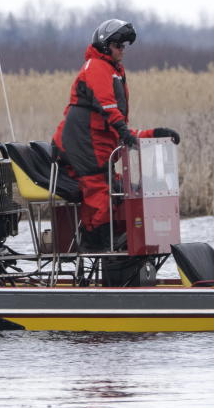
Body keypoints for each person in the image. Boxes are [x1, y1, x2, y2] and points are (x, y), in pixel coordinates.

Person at [52, 19, 180, 250]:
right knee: (100, 194)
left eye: (124, 46)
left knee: (117, 190)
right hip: (83, 144)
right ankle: (96, 247)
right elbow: (109, 108)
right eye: (119, 46)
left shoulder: (112, 71)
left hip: (95, 145)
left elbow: (117, 124)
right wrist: (123, 131)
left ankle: (118, 250)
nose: (123, 50)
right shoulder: (96, 67)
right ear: (105, 45)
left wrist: (153, 134)